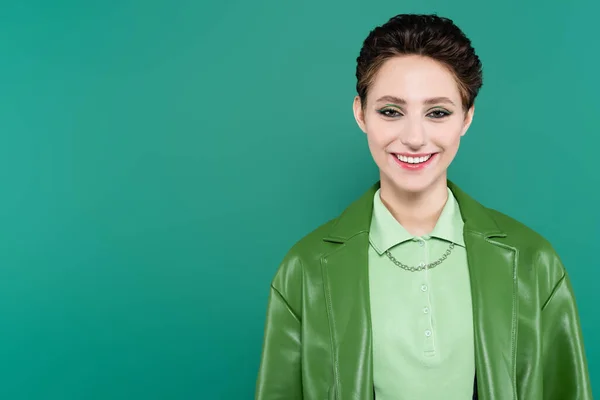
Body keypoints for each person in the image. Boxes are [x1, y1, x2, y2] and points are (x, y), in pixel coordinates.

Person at [254, 13, 592, 400]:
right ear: (360, 113)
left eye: (438, 112)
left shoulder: (534, 262)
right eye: (390, 111)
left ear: (466, 119)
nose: (414, 138)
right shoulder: (304, 269)